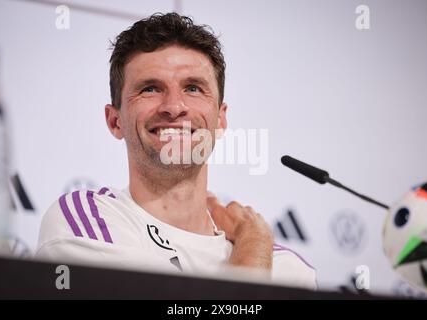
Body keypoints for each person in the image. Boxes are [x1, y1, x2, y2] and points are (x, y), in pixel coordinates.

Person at [36, 12, 317, 290]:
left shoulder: (288, 268)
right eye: (150, 89)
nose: (174, 106)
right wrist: (253, 239)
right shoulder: (86, 222)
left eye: (193, 88)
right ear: (115, 121)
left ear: (220, 120)